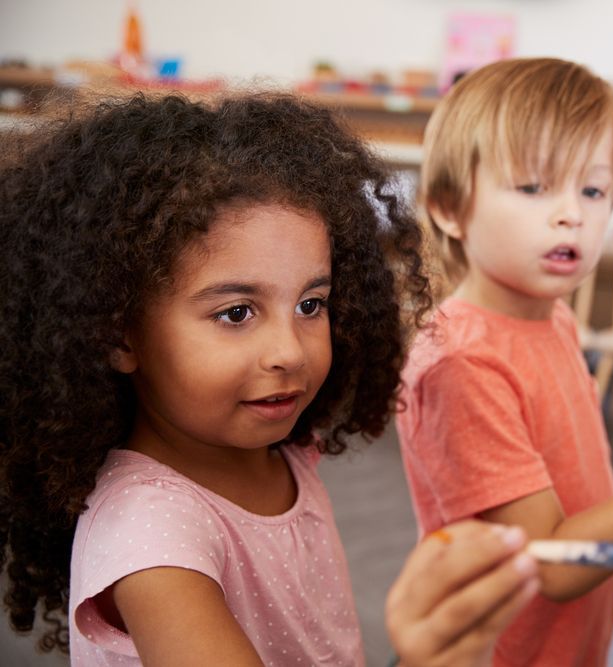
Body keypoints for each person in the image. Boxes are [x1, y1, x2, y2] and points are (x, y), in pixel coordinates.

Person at [0, 93, 540, 666]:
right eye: (236, 313)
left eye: (311, 304)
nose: (289, 351)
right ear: (117, 334)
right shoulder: (152, 541)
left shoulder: (284, 451)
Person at [396, 57, 613, 666]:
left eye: (593, 189)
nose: (573, 213)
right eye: (534, 187)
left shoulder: (553, 315)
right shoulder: (461, 364)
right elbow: (557, 562)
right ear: (450, 208)